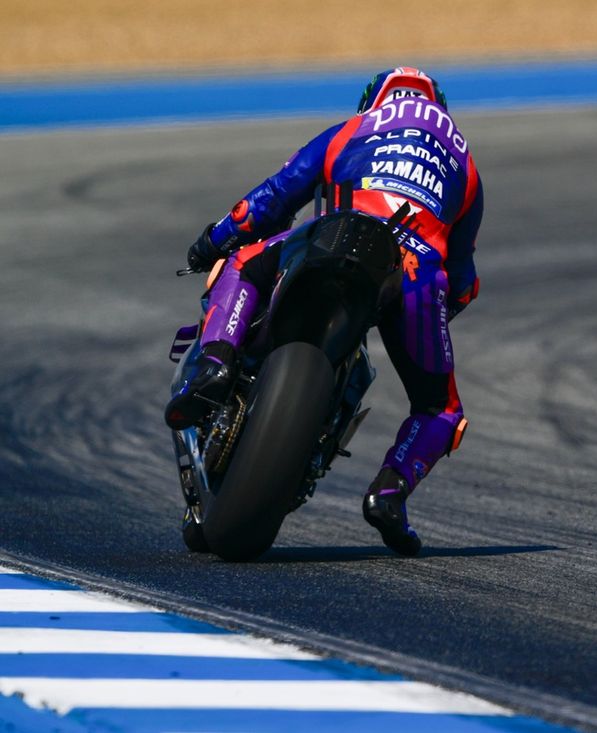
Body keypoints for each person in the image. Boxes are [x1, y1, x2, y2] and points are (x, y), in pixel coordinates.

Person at [165, 67, 482, 556]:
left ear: (372, 100)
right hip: (414, 271)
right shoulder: (466, 165)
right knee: (440, 409)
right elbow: (463, 282)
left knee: (245, 261)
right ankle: (391, 492)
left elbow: (267, 202)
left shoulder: (353, 129)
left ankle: (215, 361)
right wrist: (426, 317)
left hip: (336, 233)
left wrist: (211, 242)